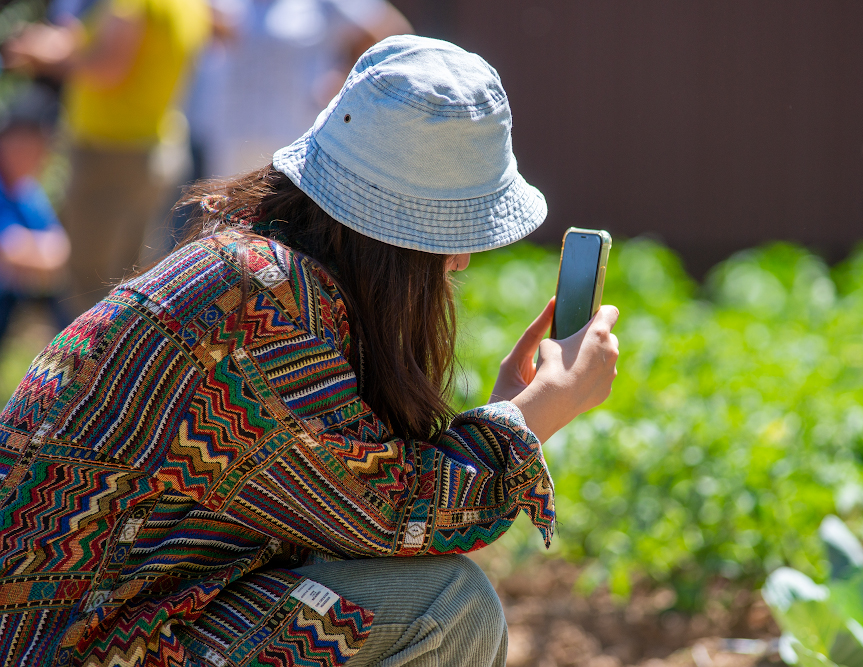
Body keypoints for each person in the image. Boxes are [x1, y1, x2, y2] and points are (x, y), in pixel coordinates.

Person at [0, 35, 620, 667]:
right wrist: (533, 415)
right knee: (448, 607)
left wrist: (506, 414)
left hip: (96, 629)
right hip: (74, 649)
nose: (458, 260)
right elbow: (393, 515)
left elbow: (348, 496)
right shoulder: (257, 303)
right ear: (394, 237)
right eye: (453, 233)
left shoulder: (258, 269)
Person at [2, 0, 210, 316]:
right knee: (125, 283)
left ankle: (78, 366)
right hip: (154, 150)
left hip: (111, 156)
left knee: (87, 288)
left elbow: (108, 66)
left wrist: (41, 55)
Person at [186, 0, 412, 180]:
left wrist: (346, 81)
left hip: (292, 135)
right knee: (225, 221)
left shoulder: (322, 5)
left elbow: (389, 33)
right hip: (229, 135)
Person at [0, 85, 71, 341]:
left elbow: (60, 251)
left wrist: (24, 250)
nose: (41, 157)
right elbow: (8, 251)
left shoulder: (26, 190)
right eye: (33, 145)